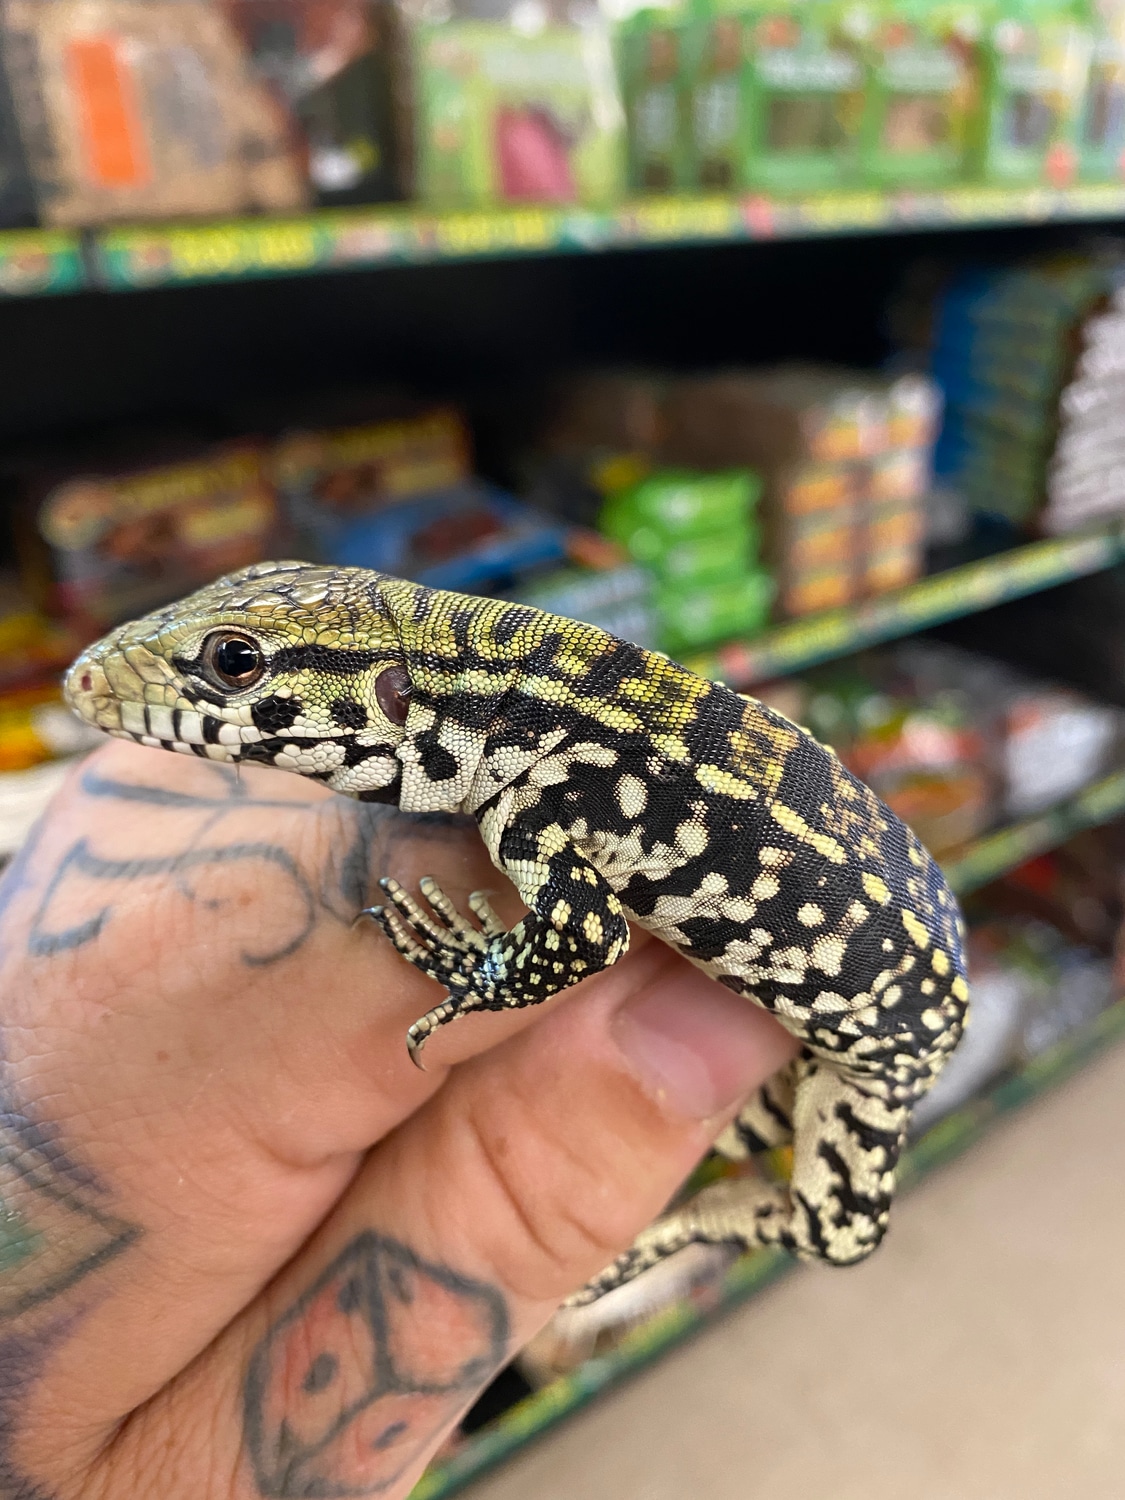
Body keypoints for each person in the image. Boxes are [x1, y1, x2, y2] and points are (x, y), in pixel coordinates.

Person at [0, 737, 795, 1499]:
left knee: (838, 1224)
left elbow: (587, 936)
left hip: (854, 1023)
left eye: (236, 665)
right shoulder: (521, 790)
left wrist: (474, 976)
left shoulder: (528, 797)